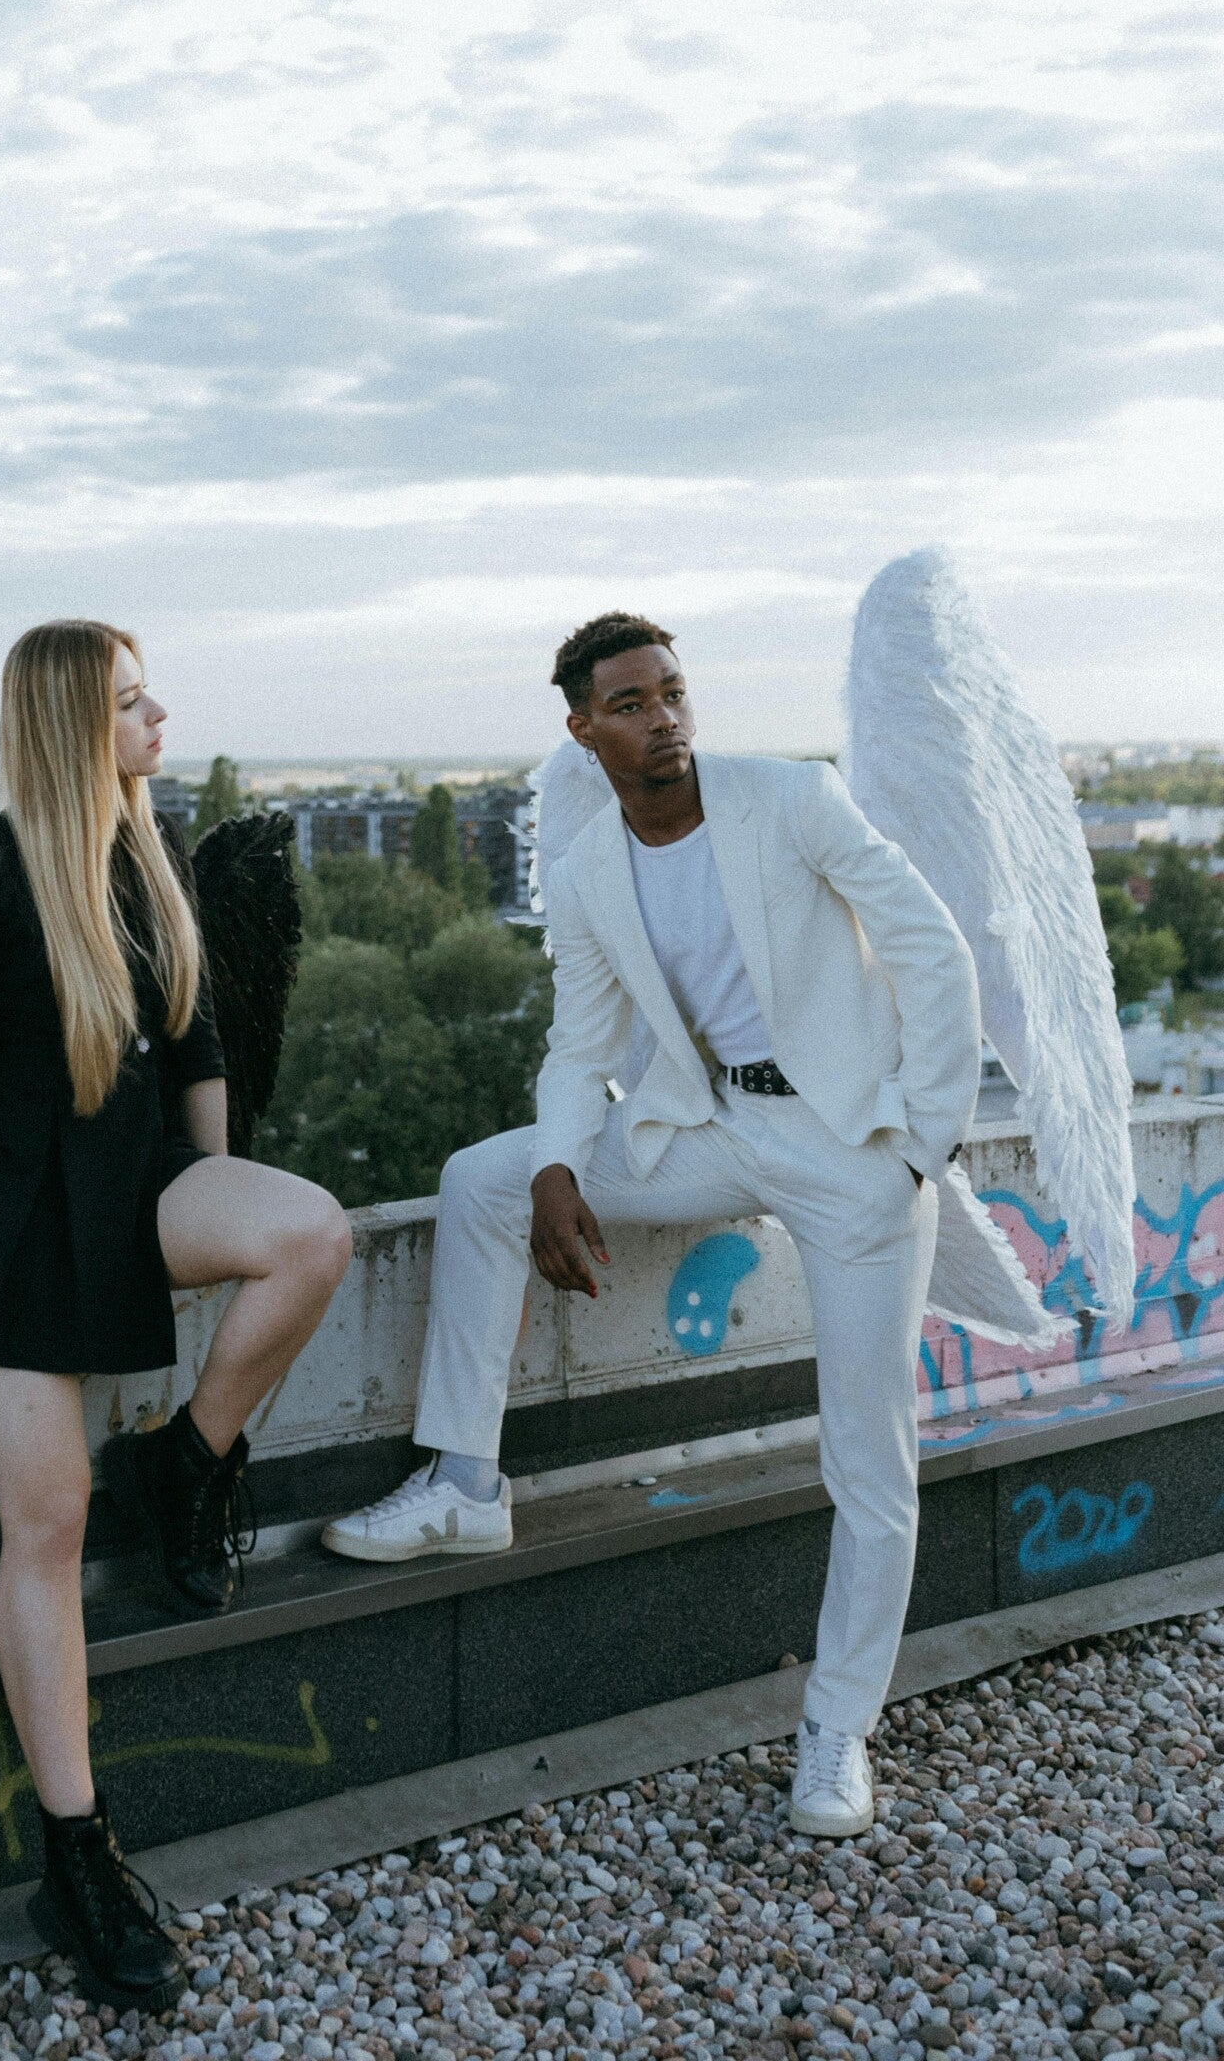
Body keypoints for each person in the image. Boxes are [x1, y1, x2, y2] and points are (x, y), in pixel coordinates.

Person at [320, 611, 979, 1841]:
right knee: (484, 1178)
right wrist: (561, 1165)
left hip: (852, 1154)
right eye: (630, 703)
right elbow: (580, 1046)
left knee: (869, 1459)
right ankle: (465, 1478)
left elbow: (931, 949)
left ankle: (840, 1728)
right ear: (582, 730)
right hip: (714, 1129)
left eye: (673, 693)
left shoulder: (793, 800)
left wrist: (920, 1143)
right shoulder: (585, 877)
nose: (662, 717)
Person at [0, 621, 352, 2009]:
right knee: (47, 1522)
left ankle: (193, 1459)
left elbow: (201, 1048)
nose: (162, 718)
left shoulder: (153, 859)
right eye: (134, 702)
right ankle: (78, 1853)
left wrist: (218, 1184)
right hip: (13, 1221)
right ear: (69, 726)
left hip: (138, 1184)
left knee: (311, 1233)